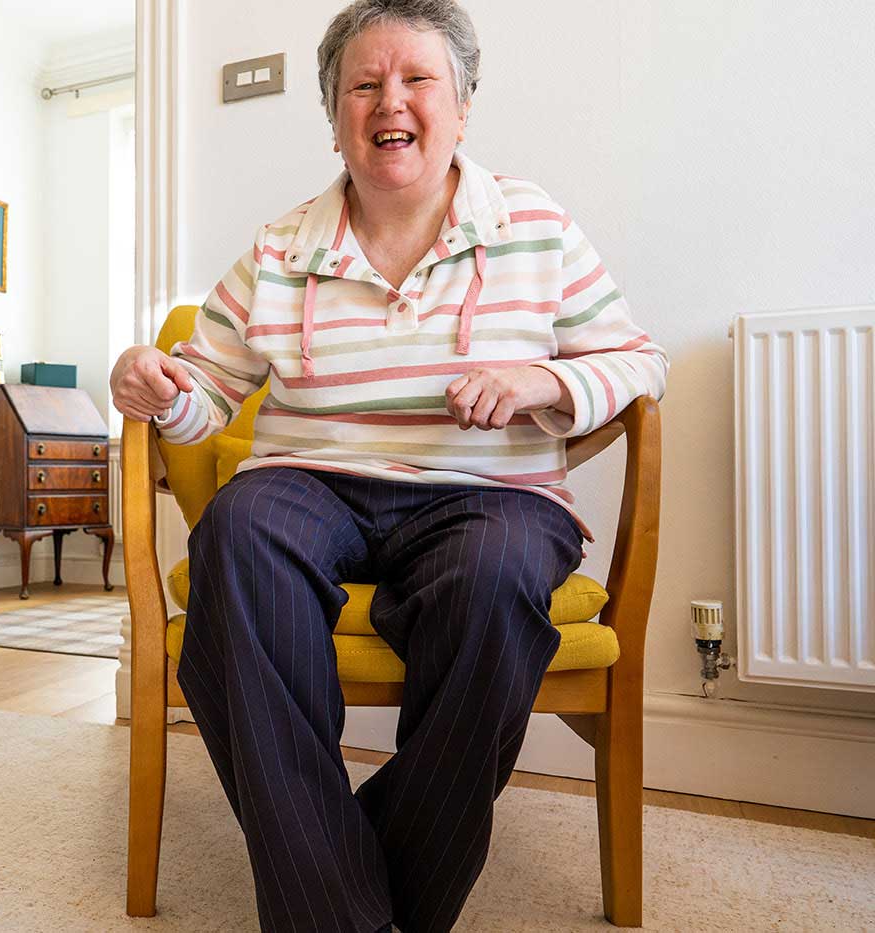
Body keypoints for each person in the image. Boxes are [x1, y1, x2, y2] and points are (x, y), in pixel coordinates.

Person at [110, 1, 668, 929]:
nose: (388, 102)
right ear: (333, 116)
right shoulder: (283, 246)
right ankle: (351, 914)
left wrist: (541, 378)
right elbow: (203, 393)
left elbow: (639, 360)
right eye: (362, 85)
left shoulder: (533, 224)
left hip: (487, 492)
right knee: (237, 536)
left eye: (416, 81)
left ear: (462, 104)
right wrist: (156, 386)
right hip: (311, 483)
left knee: (491, 580)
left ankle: (345, 892)